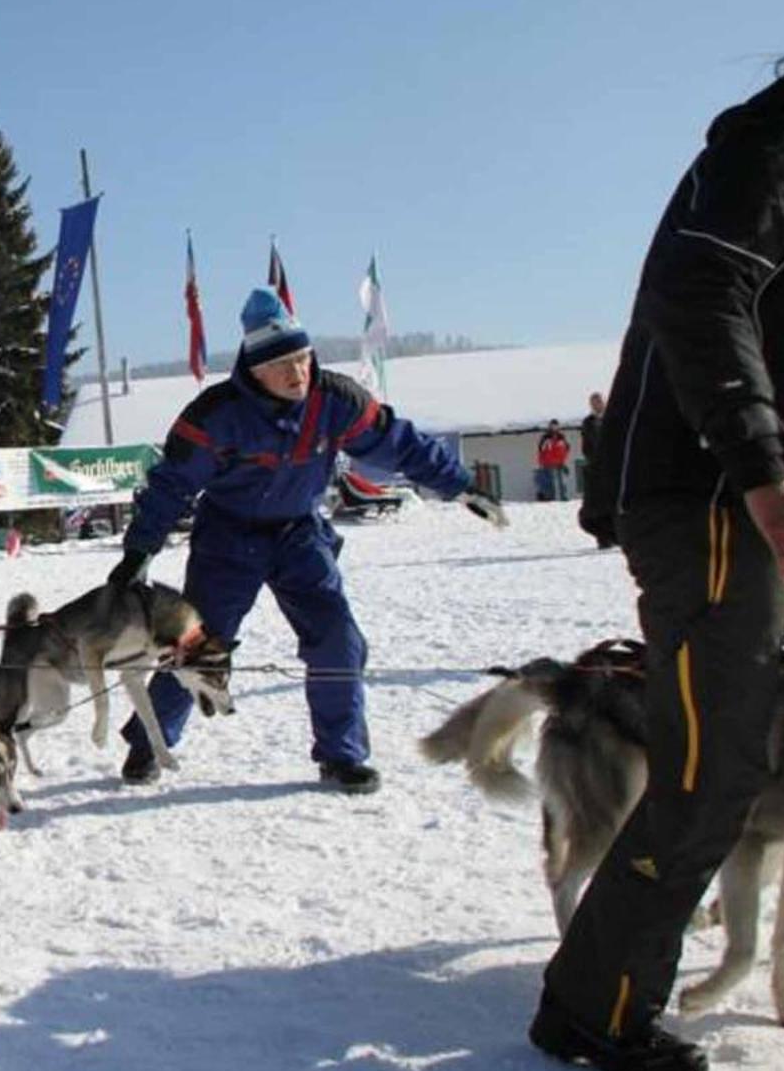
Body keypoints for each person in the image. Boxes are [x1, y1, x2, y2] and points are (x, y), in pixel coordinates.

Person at [527, 10, 784, 1071]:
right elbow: (697, 290)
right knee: (716, 764)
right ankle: (589, 1008)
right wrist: (757, 471)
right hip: (712, 488)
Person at [108, 287, 505, 794]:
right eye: (283, 365)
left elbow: (398, 442)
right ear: (254, 369)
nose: (297, 373)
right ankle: (149, 742)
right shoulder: (215, 414)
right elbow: (171, 484)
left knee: (337, 637)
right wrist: (139, 551)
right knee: (198, 644)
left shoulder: (335, 400)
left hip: (300, 533)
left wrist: (461, 485)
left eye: (302, 358)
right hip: (228, 538)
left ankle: (342, 756)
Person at [577, 392, 614, 548]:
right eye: (594, 402)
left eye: (599, 401)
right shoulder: (588, 423)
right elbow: (586, 446)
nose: (597, 405)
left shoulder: (613, 418)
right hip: (597, 468)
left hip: (612, 467)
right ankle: (603, 538)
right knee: (598, 505)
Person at [534, 420, 573, 501]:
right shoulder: (546, 438)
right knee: (549, 483)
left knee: (562, 482)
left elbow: (566, 448)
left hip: (560, 463)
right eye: (552, 426)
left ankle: (563, 497)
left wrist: (563, 461)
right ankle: (550, 498)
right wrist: (542, 462)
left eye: (556, 426)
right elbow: (541, 450)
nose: (554, 427)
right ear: (549, 426)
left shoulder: (561, 437)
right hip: (548, 463)